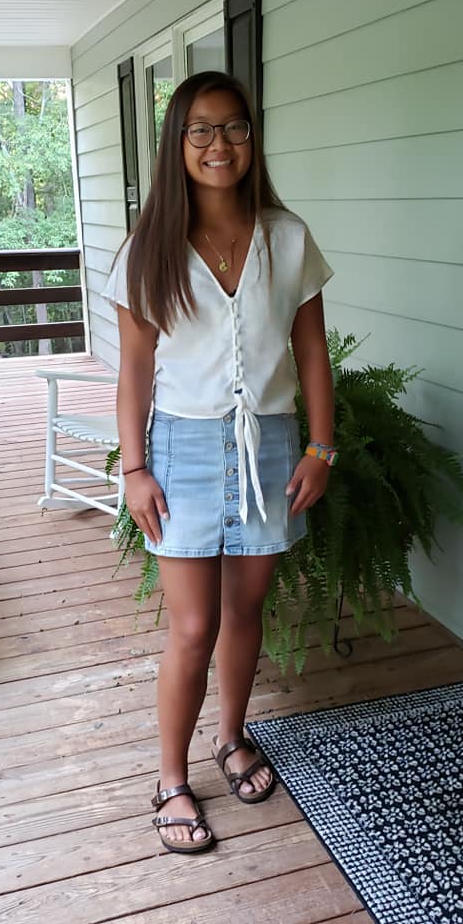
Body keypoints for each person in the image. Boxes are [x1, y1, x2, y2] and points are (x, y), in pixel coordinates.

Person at [103, 70, 336, 855]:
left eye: (234, 126)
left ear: (251, 137)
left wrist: (321, 447)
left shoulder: (287, 238)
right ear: (177, 142)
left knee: (246, 609)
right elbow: (135, 370)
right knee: (194, 624)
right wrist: (134, 469)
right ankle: (170, 777)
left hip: (270, 446)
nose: (219, 143)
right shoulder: (149, 250)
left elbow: (312, 351)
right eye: (200, 129)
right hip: (182, 448)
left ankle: (230, 736)